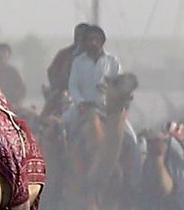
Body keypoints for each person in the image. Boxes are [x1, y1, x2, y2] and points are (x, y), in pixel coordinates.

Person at [62, 25, 138, 162]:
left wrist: (109, 91)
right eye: (90, 39)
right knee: (60, 132)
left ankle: (134, 181)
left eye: (96, 39)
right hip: (83, 109)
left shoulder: (112, 61)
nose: (93, 43)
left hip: (107, 110)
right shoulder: (79, 62)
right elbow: (73, 85)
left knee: (132, 140)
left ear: (102, 41)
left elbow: (119, 85)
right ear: (85, 42)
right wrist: (80, 102)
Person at [46, 22, 90, 94]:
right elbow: (51, 71)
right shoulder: (64, 54)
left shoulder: (97, 56)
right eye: (78, 35)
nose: (81, 38)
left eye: (84, 35)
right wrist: (58, 85)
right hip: (65, 92)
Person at [0, 42, 27, 108]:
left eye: (4, 53)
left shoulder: (14, 72)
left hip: (12, 105)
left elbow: (22, 89)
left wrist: (17, 104)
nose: (1, 56)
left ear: (9, 55)